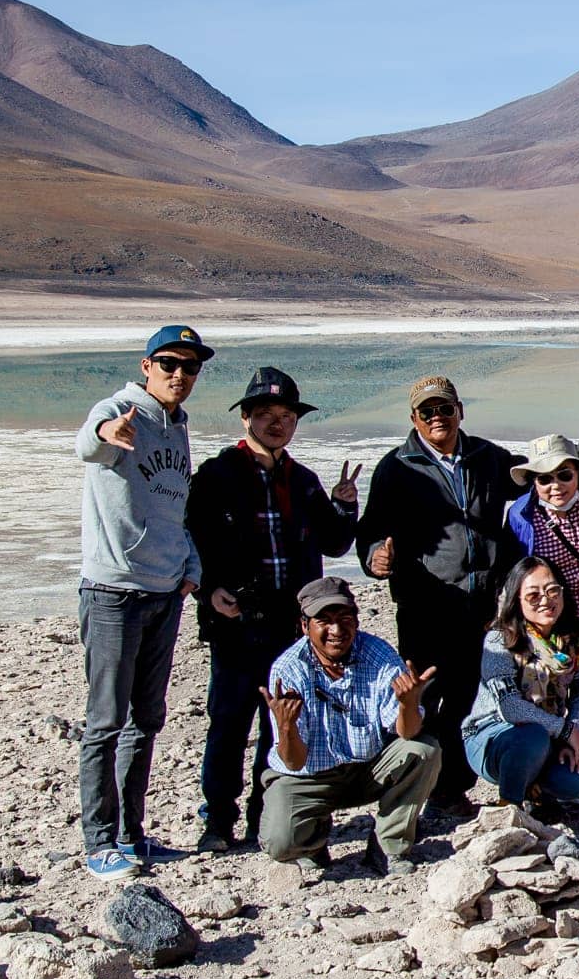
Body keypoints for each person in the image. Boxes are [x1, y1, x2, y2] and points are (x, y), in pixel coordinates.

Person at [187, 366, 359, 853]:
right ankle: (218, 820)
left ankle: (266, 817)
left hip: (290, 627)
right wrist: (208, 591)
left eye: (286, 415)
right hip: (237, 623)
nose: (277, 423)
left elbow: (334, 541)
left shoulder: (302, 481)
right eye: (266, 413)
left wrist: (344, 505)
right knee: (228, 722)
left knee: (281, 722)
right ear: (246, 418)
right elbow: (192, 541)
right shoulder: (217, 475)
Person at [75, 324, 212, 879]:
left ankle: (132, 837)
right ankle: (98, 842)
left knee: (146, 719)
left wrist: (190, 565)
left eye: (190, 366)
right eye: (169, 364)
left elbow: (174, 507)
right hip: (114, 590)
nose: (180, 374)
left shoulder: (177, 426)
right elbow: (89, 443)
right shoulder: (119, 409)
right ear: (146, 366)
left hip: (164, 591)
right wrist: (107, 431)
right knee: (105, 721)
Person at [356, 376, 521, 814]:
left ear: (459, 411)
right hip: (424, 607)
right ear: (414, 418)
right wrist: (374, 558)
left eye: (445, 409)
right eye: (427, 412)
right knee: (422, 696)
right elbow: (371, 530)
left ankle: (452, 789)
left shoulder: (488, 456)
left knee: (467, 695)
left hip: (479, 606)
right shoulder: (397, 468)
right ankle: (408, 790)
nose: (437, 418)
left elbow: (538, 477)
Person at [258, 577, 439, 876]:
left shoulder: (378, 655)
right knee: (280, 842)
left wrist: (408, 703)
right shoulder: (288, 669)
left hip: (367, 767)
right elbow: (293, 762)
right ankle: (313, 842)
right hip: (310, 776)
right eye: (324, 621)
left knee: (423, 750)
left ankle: (389, 846)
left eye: (344, 619)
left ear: (356, 621)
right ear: (304, 626)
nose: (336, 630)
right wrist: (287, 726)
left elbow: (407, 733)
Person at [505, 434, 579, 749]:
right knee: (544, 694)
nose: (555, 486)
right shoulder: (521, 516)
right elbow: (513, 572)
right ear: (534, 482)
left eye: (564, 475)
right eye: (544, 479)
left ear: (578, 474)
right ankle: (545, 764)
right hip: (548, 623)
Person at [462, 558, 579, 817]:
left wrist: (574, 735)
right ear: (517, 599)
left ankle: (538, 793)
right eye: (533, 595)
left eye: (552, 591)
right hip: (494, 734)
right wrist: (564, 730)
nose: (545, 600)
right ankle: (509, 807)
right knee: (532, 738)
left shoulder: (578, 637)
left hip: (549, 733)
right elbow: (510, 706)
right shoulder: (500, 639)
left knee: (575, 780)